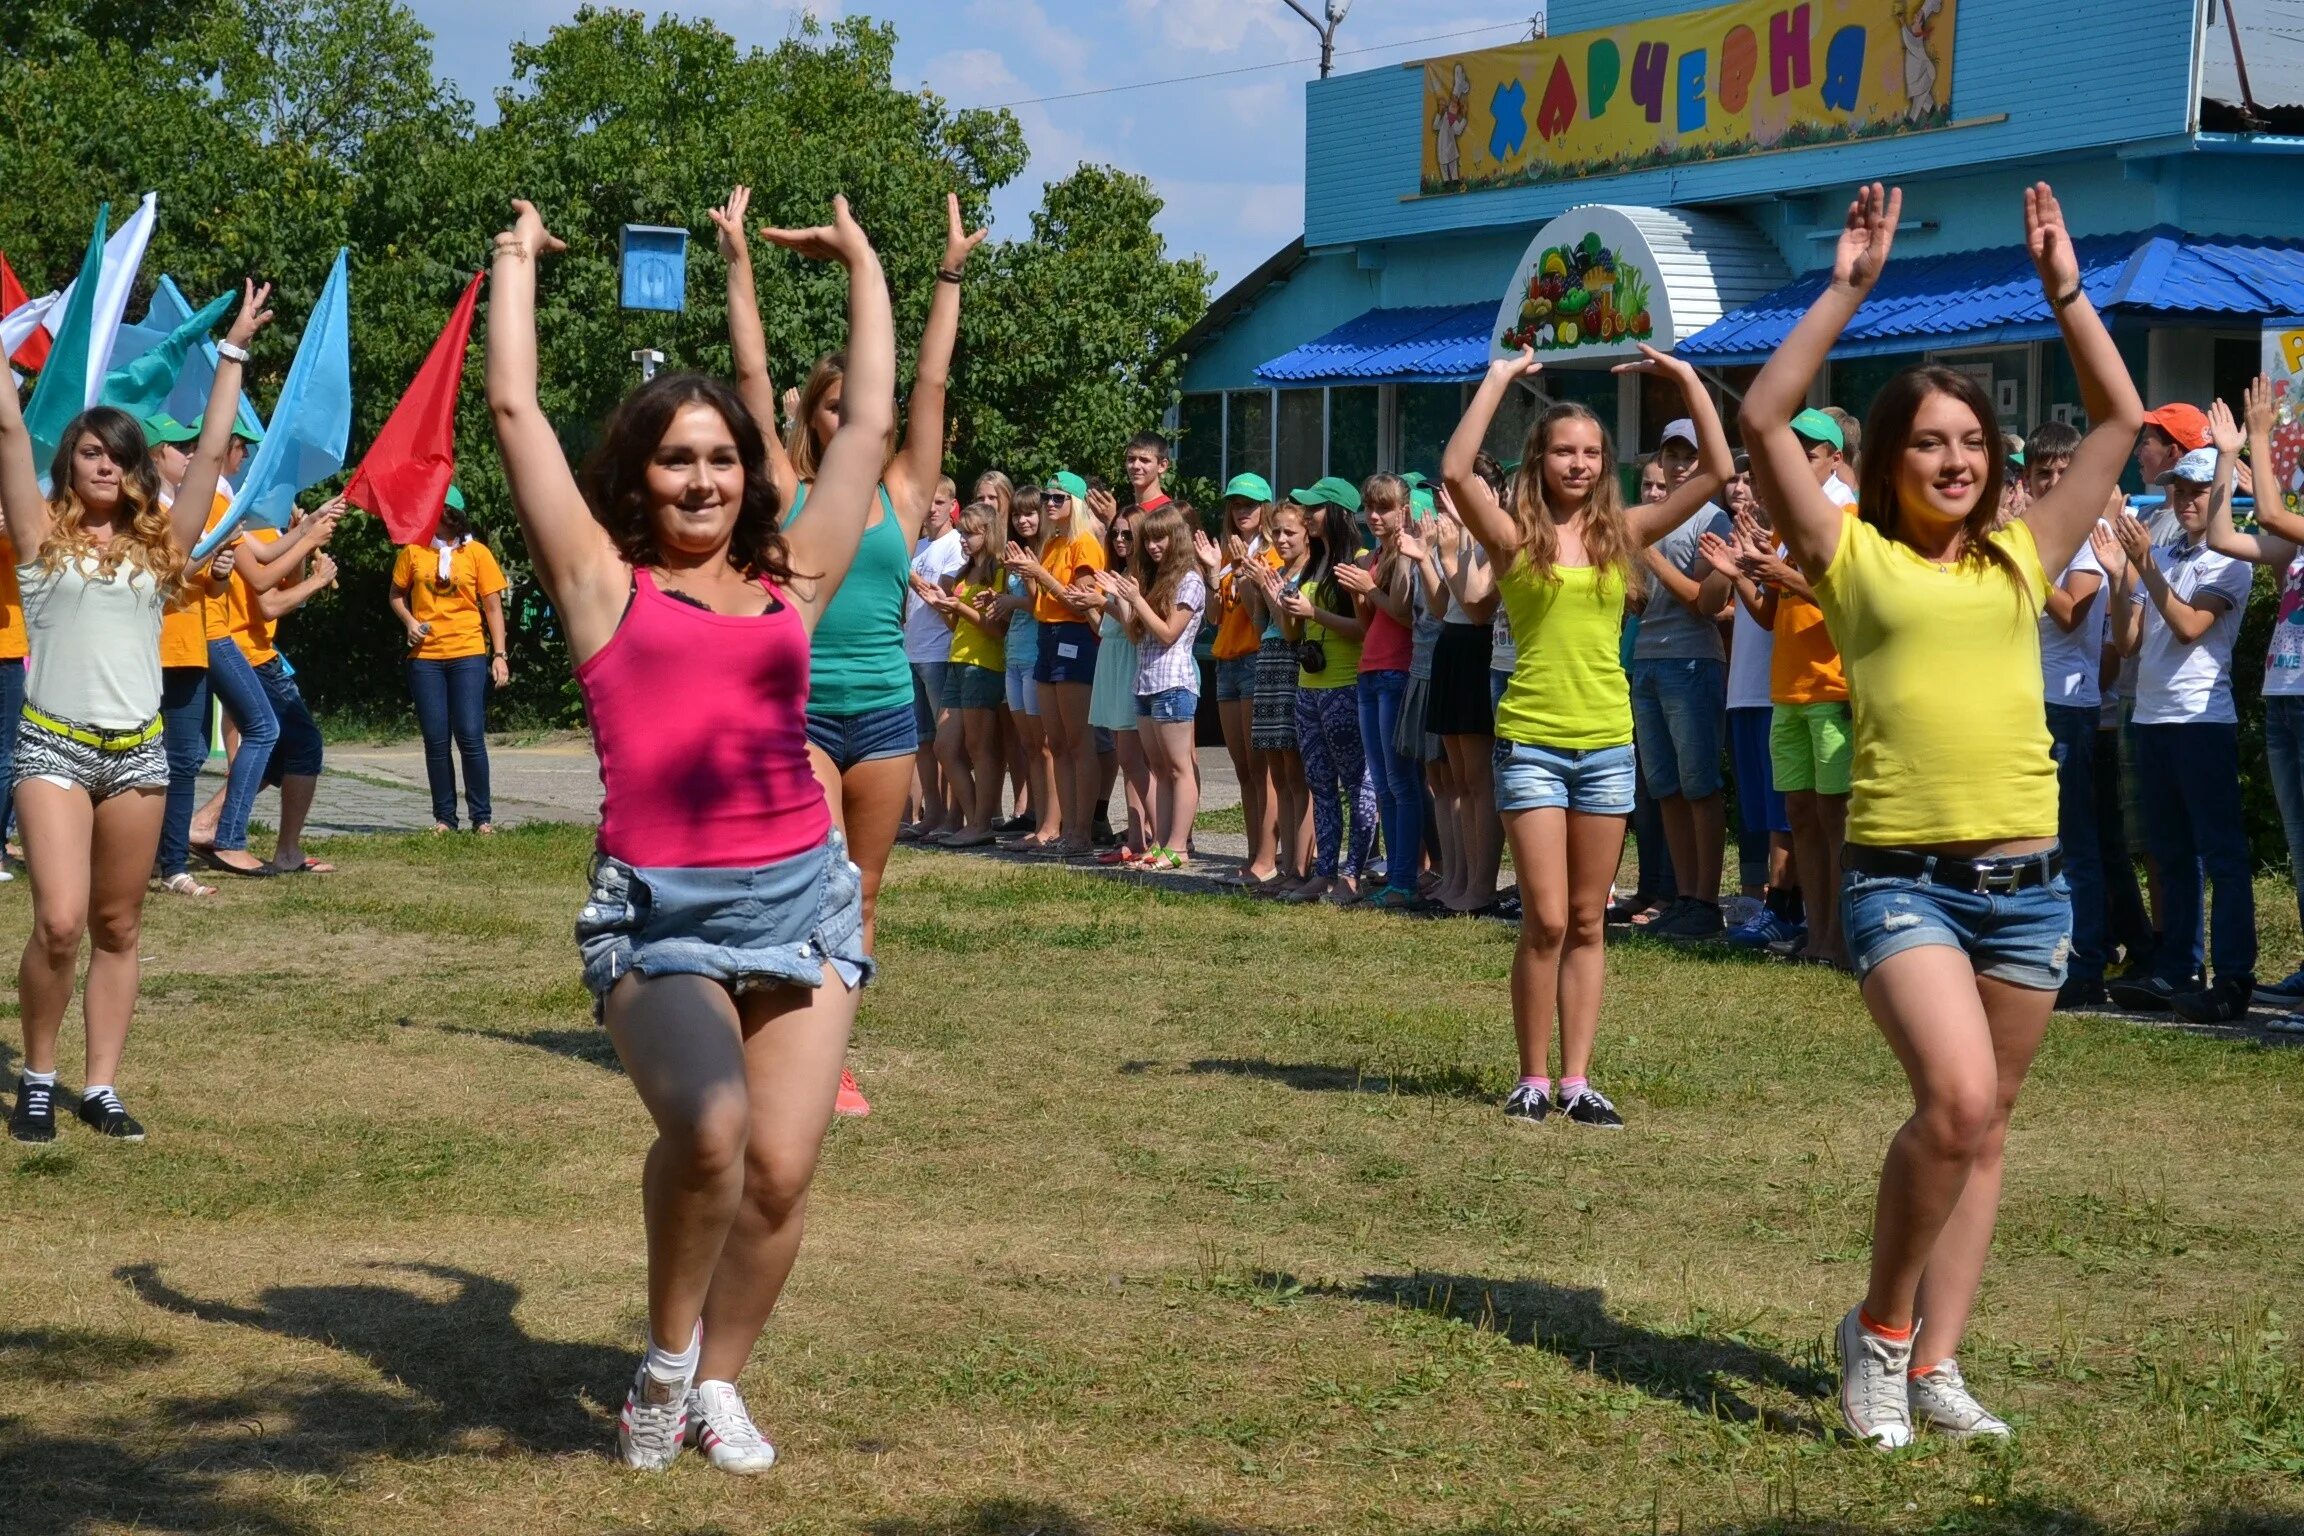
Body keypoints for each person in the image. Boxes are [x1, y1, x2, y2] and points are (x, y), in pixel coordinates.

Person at [486, 191, 893, 1473]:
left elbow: (869, 425)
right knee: (709, 1128)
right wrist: (514, 266)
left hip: (804, 903)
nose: (706, 479)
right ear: (640, 476)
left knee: (779, 1168)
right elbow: (513, 416)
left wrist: (869, 270)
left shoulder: (794, 582)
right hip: (661, 909)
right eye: (678, 460)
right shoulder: (601, 586)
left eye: (723, 458)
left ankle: (723, 1381)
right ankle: (665, 1363)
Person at [1740, 182, 2142, 1448]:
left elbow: (2126, 416)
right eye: (1929, 441)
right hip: (1903, 877)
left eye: (1973, 441)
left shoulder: (2026, 554)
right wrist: (1849, 285)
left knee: (1988, 1128)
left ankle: (1937, 1368)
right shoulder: (1851, 557)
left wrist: (2066, 291)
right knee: (1955, 1104)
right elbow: (1759, 415)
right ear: (1888, 458)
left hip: (2032, 884)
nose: (1957, 459)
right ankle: (1882, 1333)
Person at [724, 188, 983, 1119]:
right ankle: (784, 1048)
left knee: (863, 895)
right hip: (798, 715)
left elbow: (928, 386)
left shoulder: (904, 493)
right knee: (812, 883)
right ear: (811, 419)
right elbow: (750, 376)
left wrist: (949, 272)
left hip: (884, 712)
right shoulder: (786, 486)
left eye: (850, 408)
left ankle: (831, 1056)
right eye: (828, 409)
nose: (842, 421)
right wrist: (738, 258)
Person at [2, 280, 275, 1144]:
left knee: (119, 924)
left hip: (139, 757)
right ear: (69, 464)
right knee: (59, 920)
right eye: (90, 453)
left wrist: (230, 351)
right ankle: (39, 1077)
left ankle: (103, 1086)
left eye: (119, 453)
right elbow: (8, 429)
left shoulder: (164, 548)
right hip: (53, 748)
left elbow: (214, 448)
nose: (107, 464)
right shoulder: (38, 540)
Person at [1443, 340, 1733, 1130]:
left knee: (1586, 920)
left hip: (1608, 746)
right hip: (1531, 742)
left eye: (1591, 453)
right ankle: (1531, 1077)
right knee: (1542, 920)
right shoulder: (1512, 539)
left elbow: (1712, 475)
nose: (1578, 463)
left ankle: (1576, 1081)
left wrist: (1683, 380)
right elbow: (1456, 473)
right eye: (1564, 451)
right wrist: (1498, 378)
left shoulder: (1623, 532)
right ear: (1540, 459)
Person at [2105, 436, 2257, 1022]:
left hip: (2202, 720)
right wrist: (2123, 576)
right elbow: (2128, 642)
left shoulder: (2232, 561)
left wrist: (2142, 566)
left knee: (2221, 855)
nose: (2186, 501)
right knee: (2170, 854)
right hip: (2152, 716)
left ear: (2217, 495)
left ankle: (2235, 976)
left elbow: (2191, 626)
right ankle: (2179, 966)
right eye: (2179, 490)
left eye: (2197, 491)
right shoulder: (2164, 556)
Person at [2204, 378, 2304, 1008]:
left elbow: (2267, 513)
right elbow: (2224, 537)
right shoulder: (2293, 549)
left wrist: (2262, 438)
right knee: (2300, 845)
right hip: (2284, 699)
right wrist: (2224, 458)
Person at [186, 488, 339, 875]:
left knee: (276, 754)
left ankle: (206, 824)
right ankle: (269, 845)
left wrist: (302, 538)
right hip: (245, 652)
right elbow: (269, 601)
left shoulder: (262, 529)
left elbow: (289, 590)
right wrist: (311, 554)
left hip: (256, 651)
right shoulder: (227, 517)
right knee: (302, 745)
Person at [2022, 422, 2113, 1008]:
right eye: (2043, 473)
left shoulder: (2085, 536)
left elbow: (2072, 614)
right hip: (2024, 701)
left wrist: (2021, 557)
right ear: (2027, 480)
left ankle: (2088, 962)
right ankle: (2042, 954)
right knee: (2033, 840)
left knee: (2075, 840)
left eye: (2064, 471)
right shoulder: (2027, 531)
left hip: (2069, 705)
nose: (2054, 482)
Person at [1630, 427, 1734, 936]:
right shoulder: (1651, 518)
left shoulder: (1713, 518)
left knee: (1699, 786)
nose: (1680, 465)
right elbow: (1642, 599)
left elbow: (1706, 601)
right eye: (1672, 454)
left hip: (1692, 661)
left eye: (1691, 457)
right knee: (1665, 787)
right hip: (1647, 658)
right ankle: (1681, 895)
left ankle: (1706, 901)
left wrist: (1643, 552)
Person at [142, 413, 237, 898]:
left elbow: (210, 587)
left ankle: (173, 864)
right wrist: (206, 554)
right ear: (157, 454)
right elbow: (165, 573)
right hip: (145, 654)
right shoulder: (139, 510)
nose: (191, 455)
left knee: (183, 761)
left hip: (187, 650)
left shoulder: (194, 508)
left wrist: (220, 568)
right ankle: (134, 858)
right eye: (181, 448)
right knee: (137, 760)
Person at [1712, 468, 1802, 949]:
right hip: (1747, 688)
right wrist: (1741, 569)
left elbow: (1778, 609)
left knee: (1789, 814)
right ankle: (1778, 905)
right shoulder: (1774, 537)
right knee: (1769, 813)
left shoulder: (1819, 522)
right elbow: (1762, 611)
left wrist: (1753, 565)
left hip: (1781, 690)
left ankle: (1790, 908)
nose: (1748, 489)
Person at [388, 484, 509, 834]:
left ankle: (482, 818)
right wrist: (410, 621)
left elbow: (492, 607)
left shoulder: (477, 554)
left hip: (468, 653)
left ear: (452, 516)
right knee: (436, 739)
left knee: (470, 734)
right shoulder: (413, 552)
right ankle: (444, 818)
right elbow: (396, 594)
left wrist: (499, 655)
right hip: (425, 658)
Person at [1274, 480, 1374, 905]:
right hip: (1309, 687)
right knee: (1319, 785)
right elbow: (1294, 633)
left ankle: (1353, 874)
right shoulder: (1313, 563)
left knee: (1358, 785)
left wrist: (1315, 611)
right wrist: (1286, 607)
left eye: (1314, 509)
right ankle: (1325, 871)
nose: (1308, 516)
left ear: (1335, 512)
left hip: (1345, 687)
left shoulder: (1361, 561)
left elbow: (1365, 631)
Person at [1009, 470, 1108, 858]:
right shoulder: (1051, 544)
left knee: (1078, 740)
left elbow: (1079, 602)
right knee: (1057, 742)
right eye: (1047, 497)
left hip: (1074, 638)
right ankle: (1068, 830)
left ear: (1076, 503)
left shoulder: (1084, 543)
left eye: (1058, 498)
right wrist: (1028, 575)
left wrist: (1039, 575)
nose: (1050, 504)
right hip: (1047, 639)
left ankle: (1082, 831)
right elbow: (1039, 602)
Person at [1336, 473, 1423, 910]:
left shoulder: (1405, 554)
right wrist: (1360, 593)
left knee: (1401, 782)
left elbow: (1406, 615)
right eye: (1370, 507)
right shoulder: (1373, 556)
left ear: (1404, 511)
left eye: (1385, 507)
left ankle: (1406, 878)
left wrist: (1369, 587)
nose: (1374, 515)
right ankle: (1395, 874)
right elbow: (1371, 625)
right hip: (1370, 672)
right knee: (1385, 786)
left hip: (1396, 671)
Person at [1114, 502, 1205, 870]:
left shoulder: (1190, 580)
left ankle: (1179, 847)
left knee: (1179, 768)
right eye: (1148, 540)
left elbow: (1168, 634)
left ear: (1177, 539)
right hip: (1147, 683)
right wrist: (1121, 600)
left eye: (1160, 539)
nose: (1152, 547)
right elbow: (1137, 634)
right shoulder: (1154, 580)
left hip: (1174, 683)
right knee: (1161, 770)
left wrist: (1136, 599)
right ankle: (1161, 843)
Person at [1201, 475, 1280, 887]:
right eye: (1235, 504)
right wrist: (1216, 573)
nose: (1242, 511)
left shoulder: (1271, 553)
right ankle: (1254, 854)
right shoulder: (1230, 554)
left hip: (1254, 659)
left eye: (1250, 504)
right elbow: (1214, 617)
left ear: (1265, 508)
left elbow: (1259, 615)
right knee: (1243, 768)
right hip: (1227, 662)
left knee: (1262, 767)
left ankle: (1266, 859)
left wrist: (1250, 574)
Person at [923, 496, 1007, 848]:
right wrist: (942, 604)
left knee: (979, 747)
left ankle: (981, 823)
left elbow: (995, 628)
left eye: (970, 534)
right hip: (959, 661)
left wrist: (958, 606)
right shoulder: (965, 570)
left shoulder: (1000, 569)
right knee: (944, 746)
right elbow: (956, 622)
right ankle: (974, 820)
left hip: (983, 664)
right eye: (962, 533)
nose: (963, 540)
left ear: (988, 534)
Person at [1244, 501, 1313, 896]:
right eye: (1277, 533)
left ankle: (1301, 865)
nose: (1282, 540)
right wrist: (1257, 589)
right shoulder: (1280, 572)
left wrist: (1270, 592)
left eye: (1290, 532)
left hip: (1292, 664)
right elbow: (1262, 625)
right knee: (1279, 773)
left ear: (1306, 534)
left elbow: (1292, 630)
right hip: (1268, 663)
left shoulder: (1306, 572)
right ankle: (1286, 865)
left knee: (1297, 772)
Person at [992, 487, 1057, 851]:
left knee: (1045, 746)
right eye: (1018, 514)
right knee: (1030, 744)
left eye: (1031, 513)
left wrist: (1014, 598)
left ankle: (1052, 822)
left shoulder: (1046, 554)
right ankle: (1036, 815)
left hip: (1036, 655)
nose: (1024, 519)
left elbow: (1040, 606)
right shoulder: (1013, 556)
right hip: (1013, 656)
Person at [903, 476, 964, 840]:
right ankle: (933, 811)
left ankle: (954, 814)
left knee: (946, 742)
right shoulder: (918, 545)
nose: (931, 509)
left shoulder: (955, 546)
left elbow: (940, 594)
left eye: (939, 502)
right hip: (913, 648)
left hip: (940, 652)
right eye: (927, 501)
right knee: (921, 740)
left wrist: (909, 576)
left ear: (951, 505)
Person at [1085, 514, 1149, 863]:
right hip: (1111, 662)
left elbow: (1132, 630)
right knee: (1128, 759)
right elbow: (1108, 628)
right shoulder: (1120, 574)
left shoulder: (1136, 578)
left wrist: (1108, 602)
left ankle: (1147, 835)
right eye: (1116, 533)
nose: (1120, 539)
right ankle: (1136, 836)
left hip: (1129, 664)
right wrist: (1090, 607)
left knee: (1132, 758)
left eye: (1128, 534)